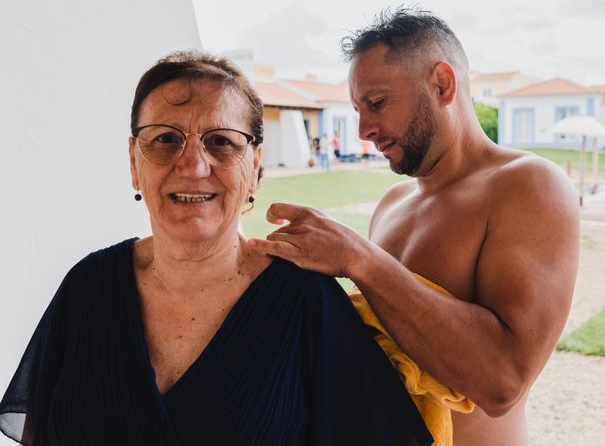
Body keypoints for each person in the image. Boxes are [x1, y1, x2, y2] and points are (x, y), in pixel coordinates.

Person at [0, 51, 433, 445]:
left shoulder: (305, 301)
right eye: (165, 139)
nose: (192, 165)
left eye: (221, 141)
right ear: (134, 163)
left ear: (254, 166)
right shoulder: (87, 287)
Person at [248, 8, 580, 446]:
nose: (365, 129)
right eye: (357, 110)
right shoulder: (392, 204)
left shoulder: (529, 185)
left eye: (377, 103)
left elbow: (503, 382)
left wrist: (357, 257)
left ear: (442, 84)